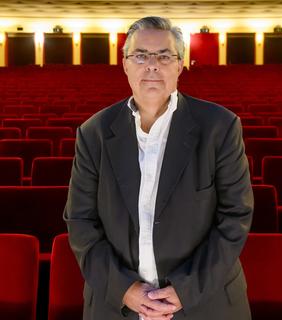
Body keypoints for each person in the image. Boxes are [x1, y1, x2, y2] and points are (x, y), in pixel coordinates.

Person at [63, 16, 253, 320]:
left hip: (206, 304)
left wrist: (185, 289)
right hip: (116, 307)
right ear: (125, 64)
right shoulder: (93, 133)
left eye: (164, 56)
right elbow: (80, 222)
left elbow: (235, 218)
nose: (152, 65)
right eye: (140, 55)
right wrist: (124, 289)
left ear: (180, 65)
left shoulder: (220, 127)